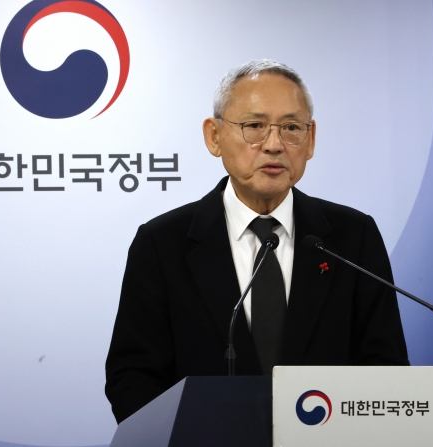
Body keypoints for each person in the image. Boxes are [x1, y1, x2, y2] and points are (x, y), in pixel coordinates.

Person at [105, 59, 408, 423]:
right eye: (255, 126)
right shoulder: (162, 244)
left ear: (310, 141)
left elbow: (387, 371)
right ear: (214, 137)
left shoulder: (352, 237)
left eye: (291, 127)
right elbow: (133, 378)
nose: (274, 144)